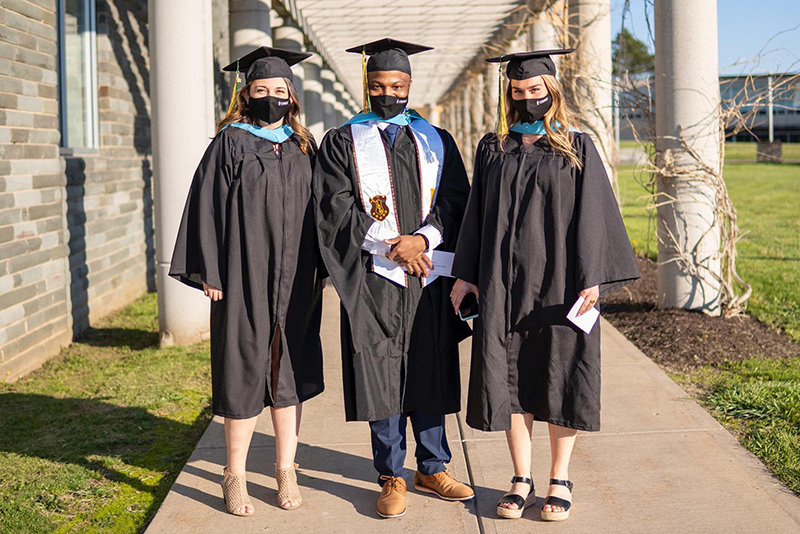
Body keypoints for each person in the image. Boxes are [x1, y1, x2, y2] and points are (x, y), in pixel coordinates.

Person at [450, 49, 640, 522]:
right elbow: (477, 216)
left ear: (552, 91)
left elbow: (593, 216)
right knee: (510, 378)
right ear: (509, 95)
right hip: (503, 283)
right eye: (518, 91)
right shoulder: (493, 147)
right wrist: (465, 274)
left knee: (559, 374)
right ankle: (521, 477)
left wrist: (591, 276)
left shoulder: (576, 146)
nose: (527, 98)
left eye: (535, 90)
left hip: (559, 284)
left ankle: (559, 478)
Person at [313, 38, 474, 519]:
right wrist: (388, 245)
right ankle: (391, 475)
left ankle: (433, 465)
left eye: (398, 85)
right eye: (380, 85)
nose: (389, 93)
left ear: (410, 85)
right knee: (380, 369)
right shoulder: (343, 140)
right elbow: (332, 207)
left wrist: (422, 240)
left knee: (428, 364)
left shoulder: (436, 140)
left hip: (427, 274)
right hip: (373, 276)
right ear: (367, 85)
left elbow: (457, 201)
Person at [169, 46, 325, 515]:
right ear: (246, 94)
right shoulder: (229, 143)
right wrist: (211, 271)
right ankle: (233, 475)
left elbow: (324, 211)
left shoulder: (304, 146)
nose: (272, 97)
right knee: (242, 370)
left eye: (280, 91)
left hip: (297, 279)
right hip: (243, 272)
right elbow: (206, 209)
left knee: (289, 374)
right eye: (262, 90)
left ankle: (285, 471)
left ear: (292, 97)